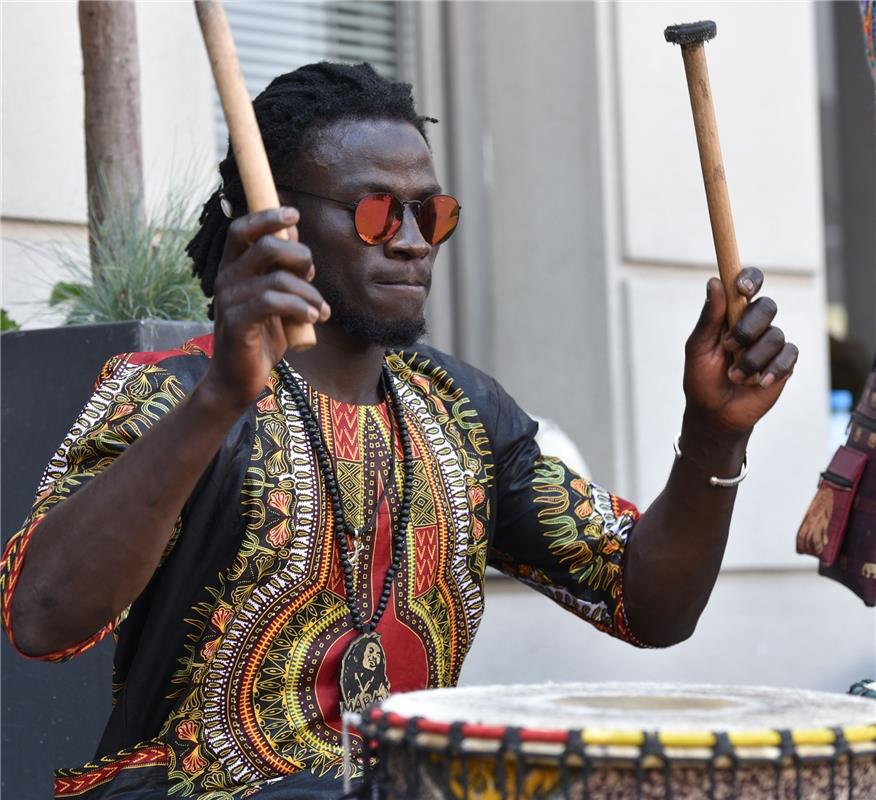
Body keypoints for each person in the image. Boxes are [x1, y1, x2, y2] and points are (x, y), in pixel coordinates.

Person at [1, 62, 798, 799]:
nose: (414, 240)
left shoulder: (461, 410)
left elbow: (646, 603)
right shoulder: (169, 392)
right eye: (379, 212)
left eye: (431, 213)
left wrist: (713, 437)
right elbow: (42, 619)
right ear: (272, 221)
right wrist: (218, 399)